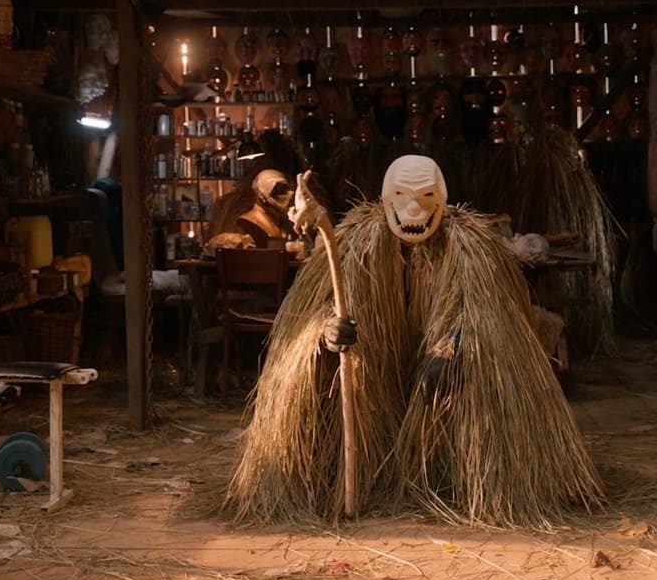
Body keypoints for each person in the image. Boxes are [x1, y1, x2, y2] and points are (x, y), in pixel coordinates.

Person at [224, 154, 604, 528]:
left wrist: (455, 347)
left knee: (461, 384)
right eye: (402, 197)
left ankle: (457, 477)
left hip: (438, 385)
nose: (414, 210)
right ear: (385, 199)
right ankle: (348, 476)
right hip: (380, 379)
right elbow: (316, 311)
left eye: (426, 198)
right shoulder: (354, 243)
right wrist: (324, 333)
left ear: (443, 198)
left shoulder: (470, 247)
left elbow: (483, 313)